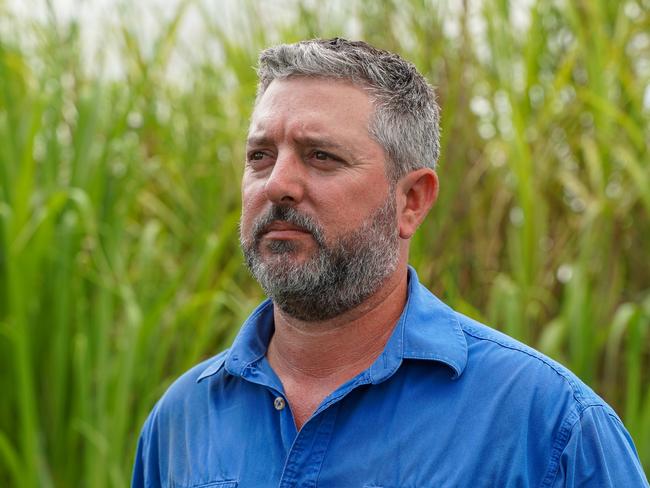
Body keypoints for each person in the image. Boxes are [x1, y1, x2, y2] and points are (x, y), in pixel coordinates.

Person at [132, 38, 648, 487]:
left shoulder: (547, 425)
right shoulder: (180, 422)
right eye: (260, 156)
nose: (278, 184)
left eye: (321, 156)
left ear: (412, 201)